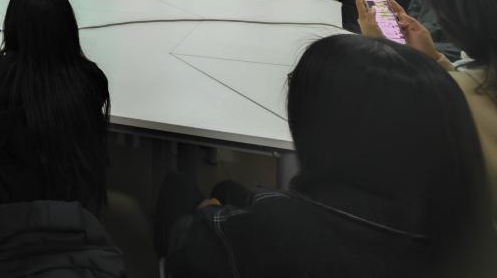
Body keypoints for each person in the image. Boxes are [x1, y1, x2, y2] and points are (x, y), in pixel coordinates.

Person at [156, 34, 495, 277]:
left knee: (178, 187)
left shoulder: (270, 232)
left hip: (240, 242)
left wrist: (208, 217)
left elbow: (207, 245)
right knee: (228, 188)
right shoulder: (469, 231)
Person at [356, 0, 497, 219]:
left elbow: (376, 122)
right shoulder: (476, 80)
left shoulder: (448, 98)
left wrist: (378, 49)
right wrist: (434, 58)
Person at [0, 0, 110, 212]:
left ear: (12, 25)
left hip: (7, 208)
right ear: (67, 27)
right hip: (76, 212)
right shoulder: (89, 79)